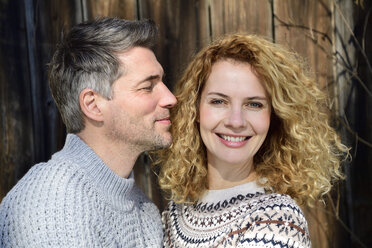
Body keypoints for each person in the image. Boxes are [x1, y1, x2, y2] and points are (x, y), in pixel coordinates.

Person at [157, 34, 348, 247]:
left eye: (254, 104)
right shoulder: (179, 208)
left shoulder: (278, 222)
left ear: (273, 116)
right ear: (195, 109)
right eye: (219, 101)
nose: (236, 121)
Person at [0, 17, 177, 247]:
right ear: (93, 105)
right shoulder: (53, 204)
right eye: (147, 87)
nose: (170, 98)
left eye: (162, 82)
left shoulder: (145, 211)